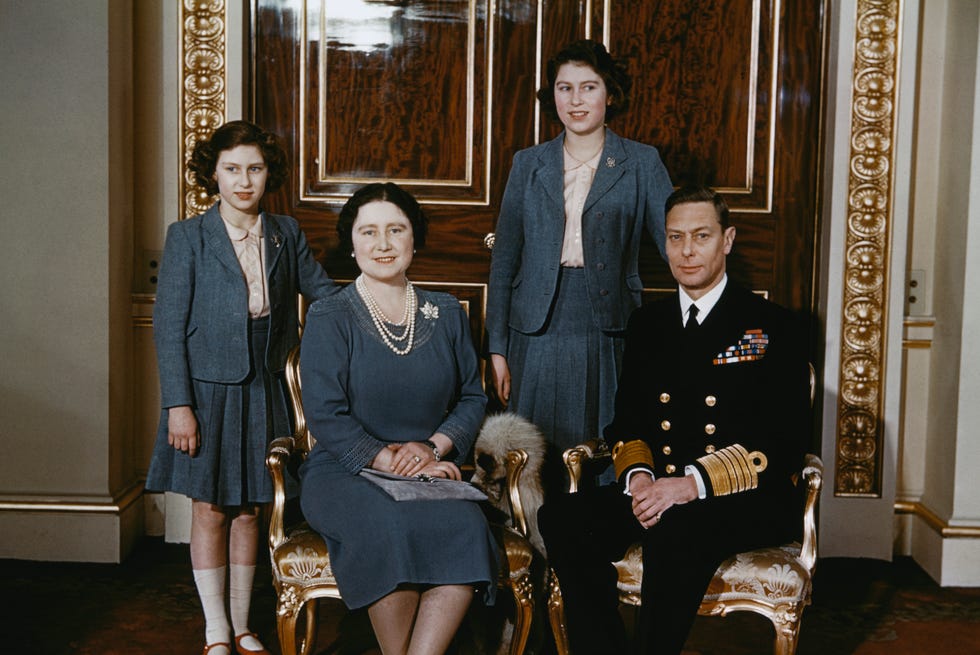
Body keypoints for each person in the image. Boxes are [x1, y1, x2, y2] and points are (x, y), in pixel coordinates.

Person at [538, 185, 812, 654]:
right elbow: (627, 421)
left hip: (742, 496)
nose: (687, 251)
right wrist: (640, 477)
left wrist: (691, 484)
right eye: (675, 237)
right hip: (656, 487)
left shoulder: (772, 326)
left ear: (727, 240)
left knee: (677, 530)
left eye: (701, 236)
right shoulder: (649, 324)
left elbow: (785, 439)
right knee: (562, 516)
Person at [146, 120, 336, 655]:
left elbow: (322, 294)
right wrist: (178, 405)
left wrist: (382, 300)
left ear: (267, 173)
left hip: (266, 384)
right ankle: (215, 631)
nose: (244, 181)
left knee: (252, 506)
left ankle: (243, 625)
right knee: (209, 507)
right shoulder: (187, 236)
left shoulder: (285, 232)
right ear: (214, 174)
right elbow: (168, 327)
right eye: (232, 169)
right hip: (207, 391)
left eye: (254, 169)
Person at [298, 182, 498, 655]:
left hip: (428, 468)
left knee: (467, 528)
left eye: (396, 230)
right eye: (369, 232)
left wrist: (432, 449)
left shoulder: (446, 312)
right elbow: (325, 413)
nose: (383, 244)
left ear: (414, 239)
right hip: (344, 471)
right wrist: (390, 461)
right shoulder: (331, 315)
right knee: (389, 525)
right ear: (352, 243)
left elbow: (472, 398)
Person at [486, 39, 673, 459]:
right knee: (531, 459)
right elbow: (504, 261)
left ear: (610, 94)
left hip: (608, 325)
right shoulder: (527, 164)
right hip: (533, 329)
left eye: (588, 87)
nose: (575, 100)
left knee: (604, 449)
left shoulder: (641, 162)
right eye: (564, 87)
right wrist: (497, 347)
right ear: (552, 96)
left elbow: (674, 247)